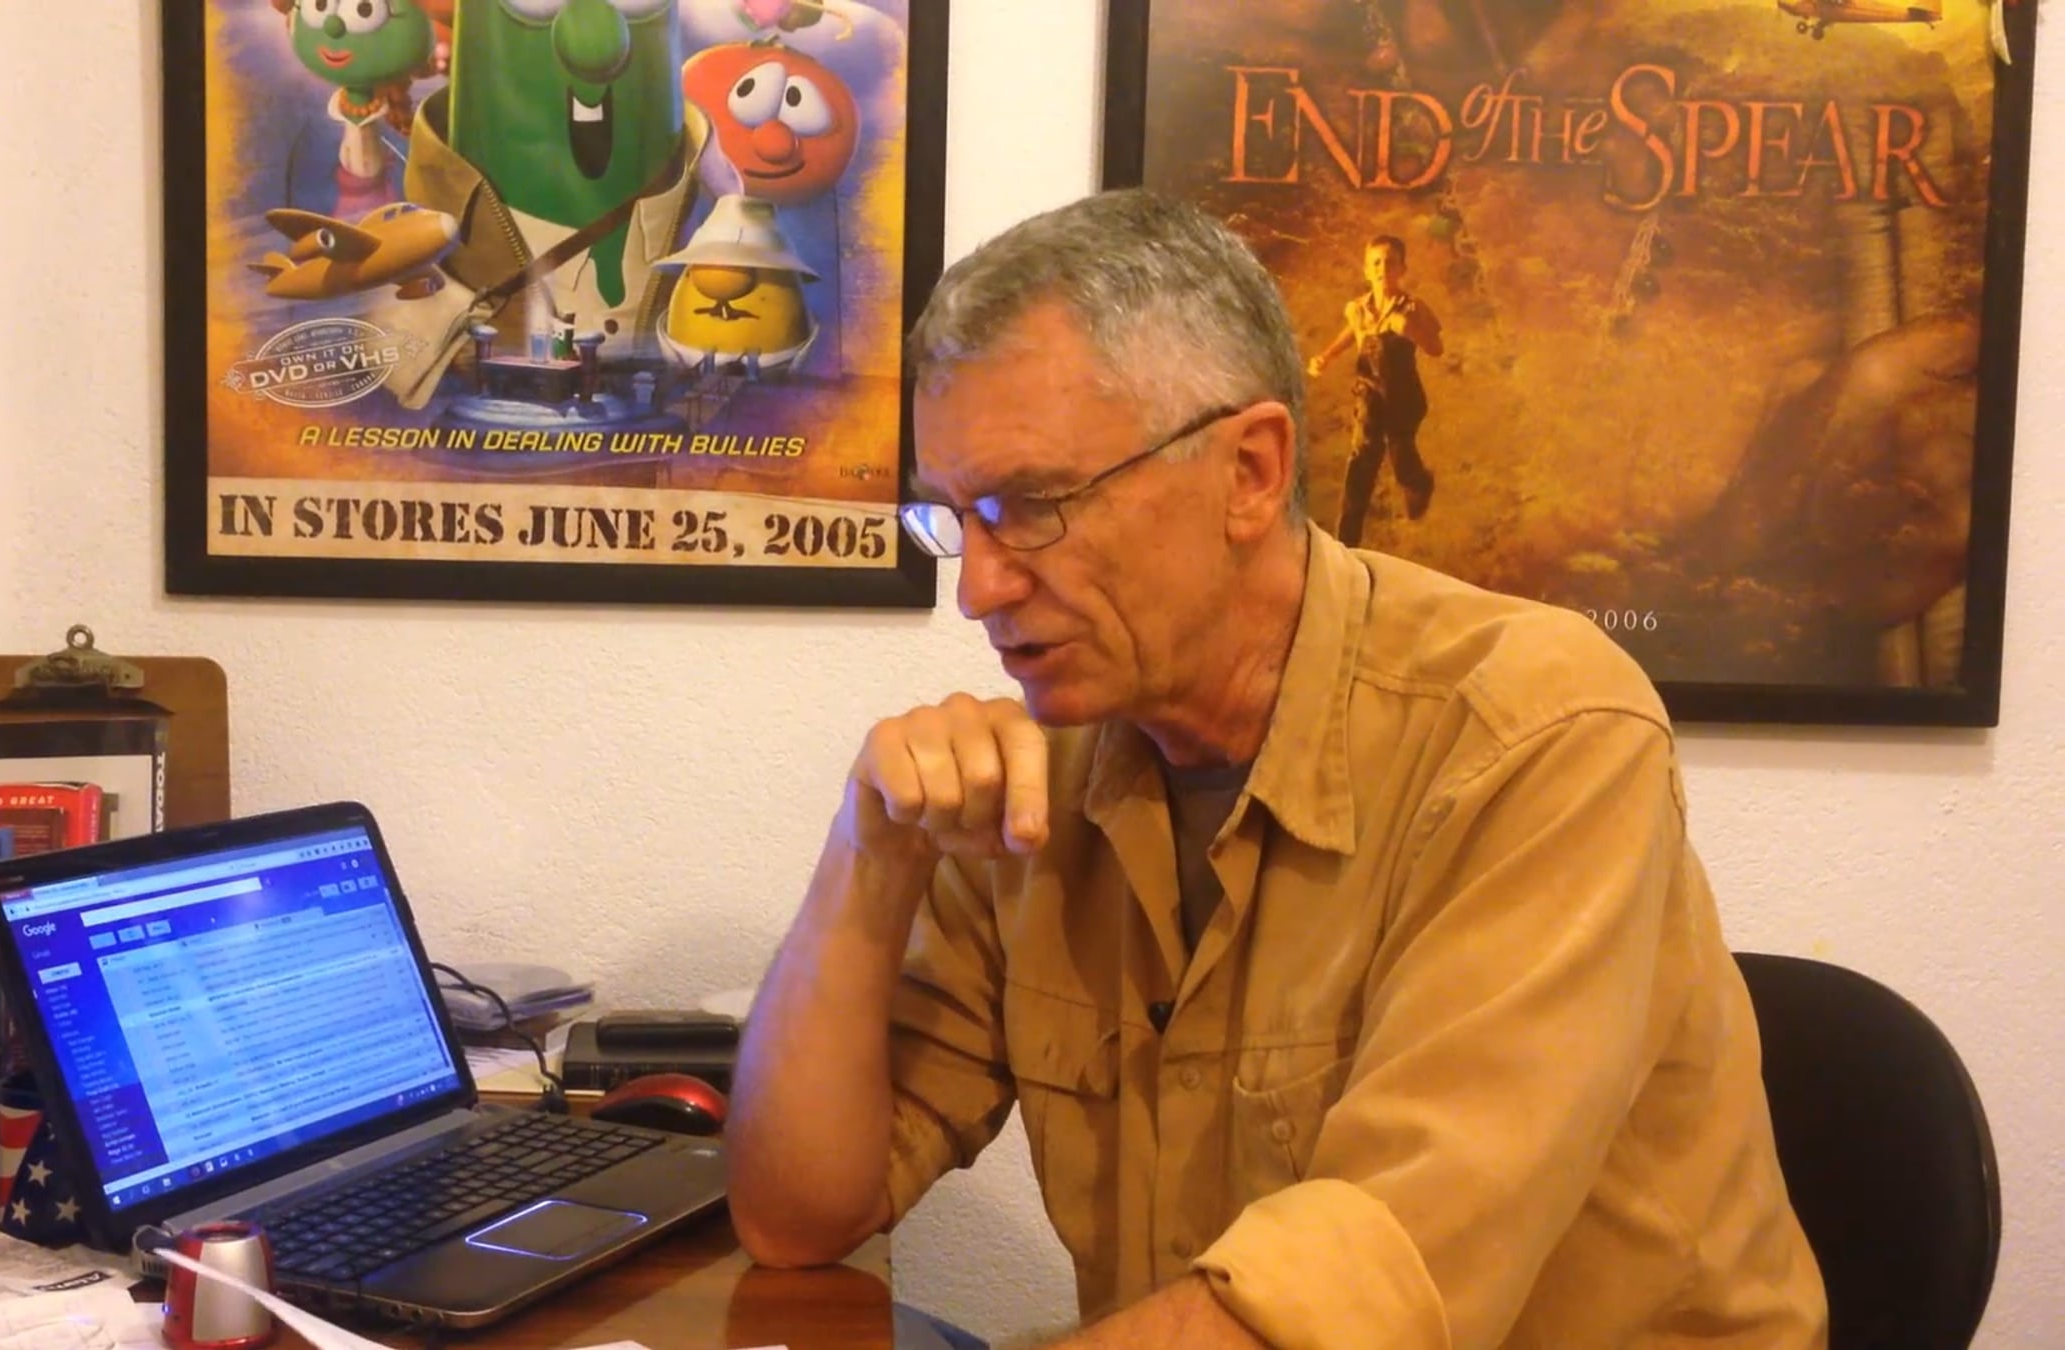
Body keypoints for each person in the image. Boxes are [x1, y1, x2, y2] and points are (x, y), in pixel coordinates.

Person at [723, 188, 1827, 1349]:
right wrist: (869, 851)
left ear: (1250, 471)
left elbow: (1356, 1297)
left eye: (1033, 506)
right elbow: (798, 1216)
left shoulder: (1537, 735)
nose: (980, 589)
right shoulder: (1043, 776)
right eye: (954, 519)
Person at [1308, 234, 1441, 546]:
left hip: (1403, 396)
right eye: (1376, 263)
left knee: (1401, 454)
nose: (1383, 268)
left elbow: (1436, 347)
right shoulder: (1358, 309)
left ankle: (1418, 483)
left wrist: (1411, 330)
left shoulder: (1412, 308)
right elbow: (1350, 333)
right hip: (1369, 391)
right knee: (1363, 455)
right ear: (1367, 270)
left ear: (1402, 268)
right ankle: (1347, 537)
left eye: (1390, 262)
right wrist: (1326, 355)